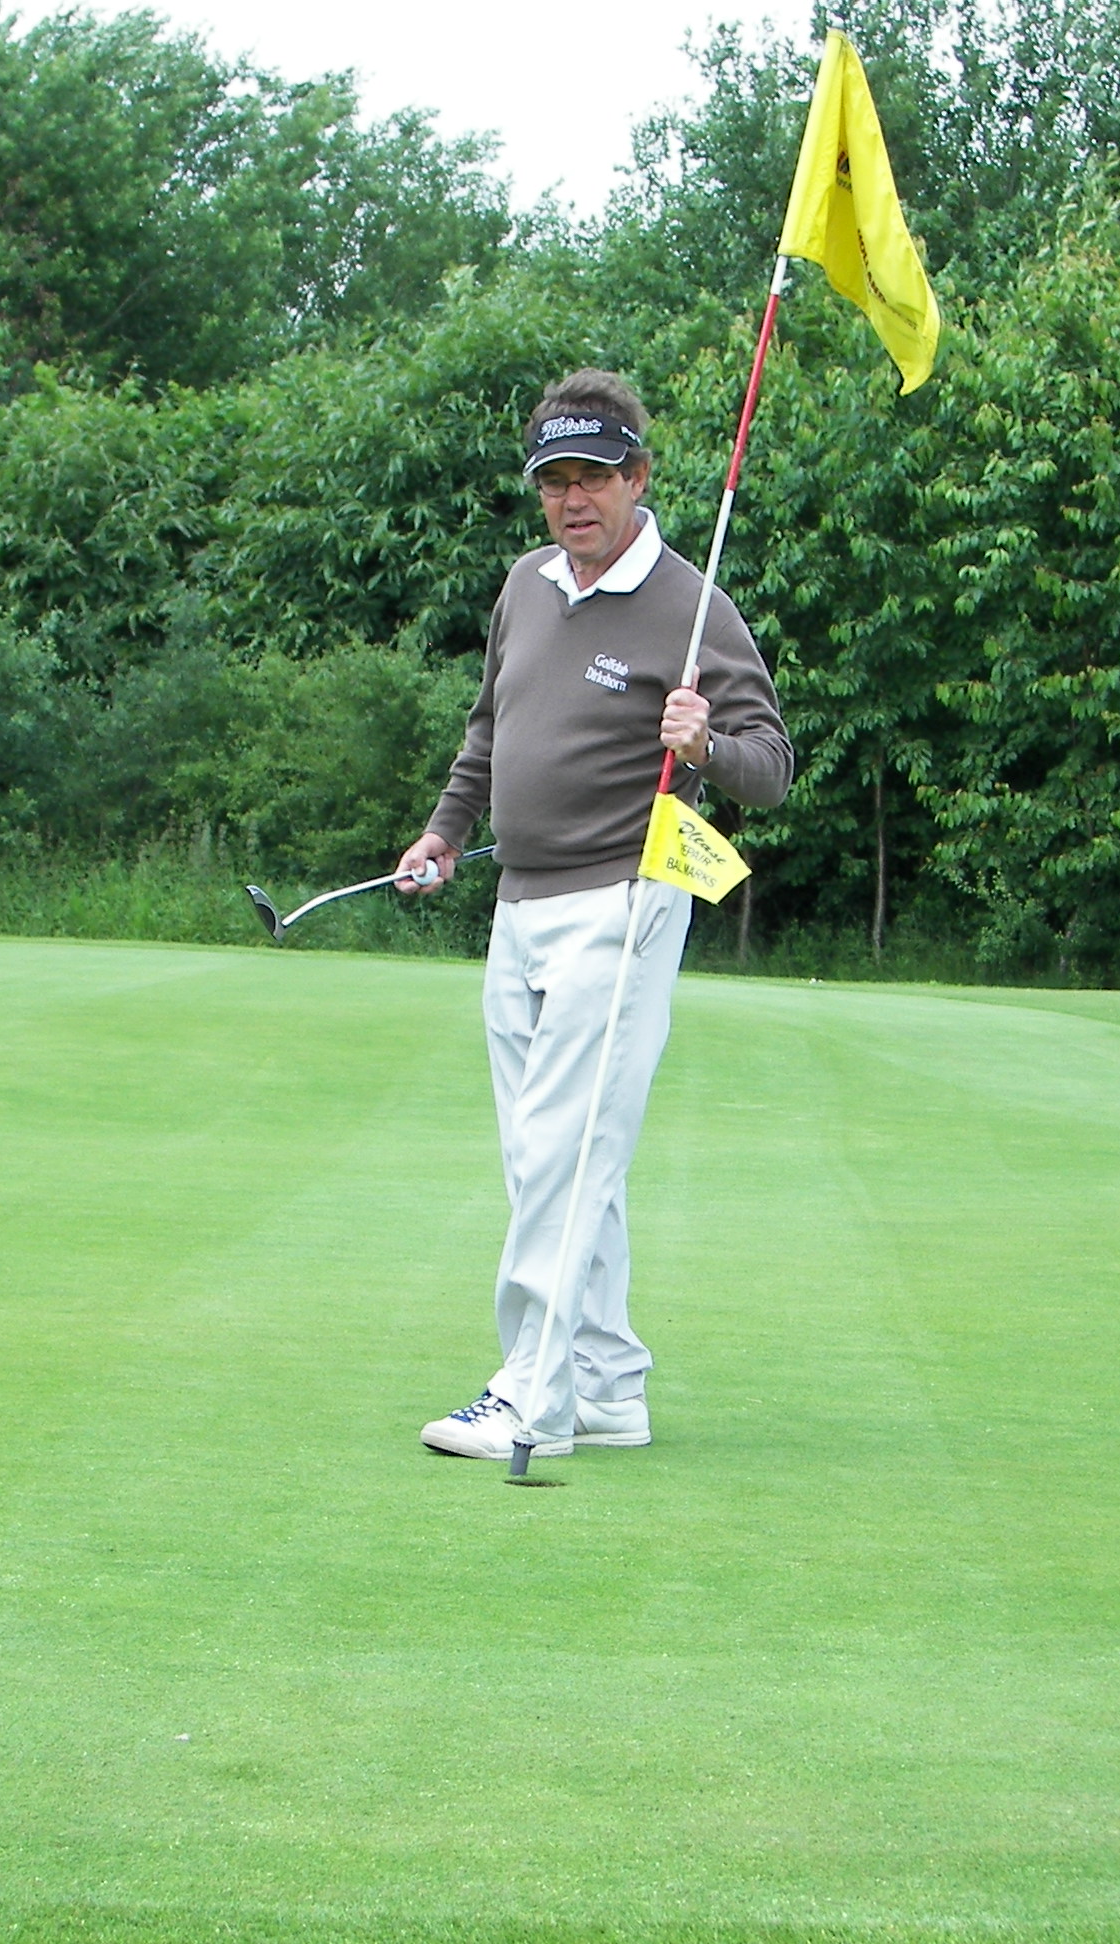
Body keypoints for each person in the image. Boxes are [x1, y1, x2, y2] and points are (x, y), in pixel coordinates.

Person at [398, 370, 793, 1461]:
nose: (574, 500)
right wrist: (443, 829)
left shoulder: (692, 604)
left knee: (564, 1150)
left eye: (594, 478)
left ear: (637, 478)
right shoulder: (526, 586)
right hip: (518, 904)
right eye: (555, 482)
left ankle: (533, 1393)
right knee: (551, 1156)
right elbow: (490, 725)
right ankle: (609, 1382)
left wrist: (704, 743)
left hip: (625, 902)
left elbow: (771, 770)